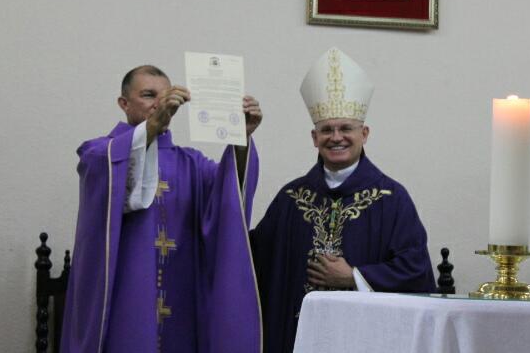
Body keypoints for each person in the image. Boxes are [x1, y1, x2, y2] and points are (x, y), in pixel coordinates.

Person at [61, 65, 263, 353]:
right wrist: (151, 128)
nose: (159, 103)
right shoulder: (102, 153)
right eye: (148, 95)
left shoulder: (192, 164)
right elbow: (101, 172)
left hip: (182, 299)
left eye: (165, 95)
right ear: (124, 103)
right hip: (123, 302)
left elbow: (227, 198)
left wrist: (240, 139)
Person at [250, 48, 435, 353]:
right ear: (314, 137)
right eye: (327, 130)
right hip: (298, 338)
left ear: (364, 133)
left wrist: (354, 277)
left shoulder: (391, 199)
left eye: (346, 128)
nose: (336, 137)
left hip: (366, 339)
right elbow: (253, 260)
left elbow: (415, 270)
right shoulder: (291, 199)